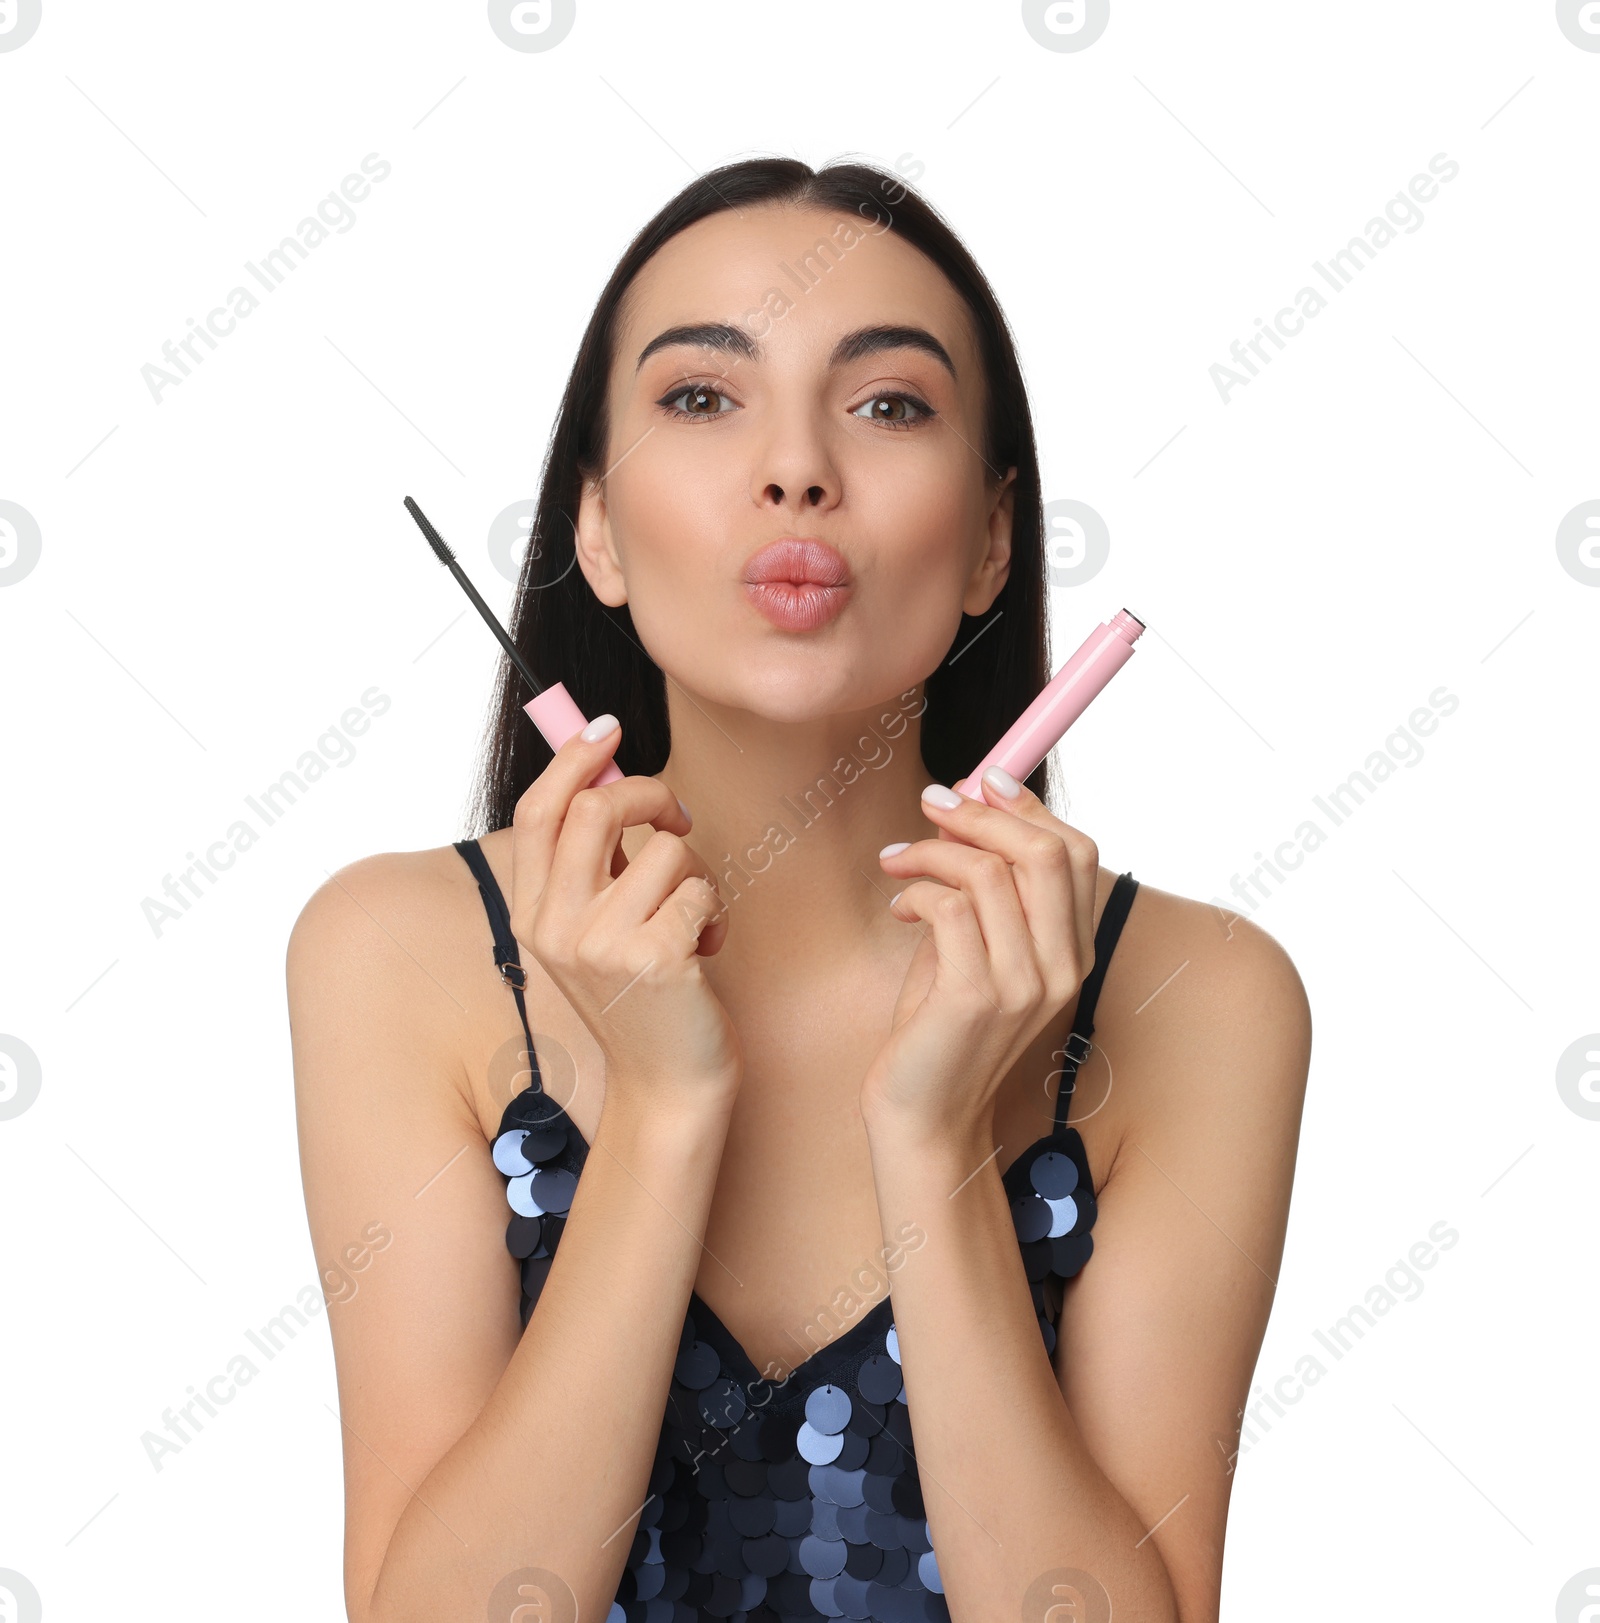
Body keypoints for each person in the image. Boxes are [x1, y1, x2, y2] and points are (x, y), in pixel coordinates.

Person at [287, 157, 1312, 1623]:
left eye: (889, 405)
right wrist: (659, 1114)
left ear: (995, 539)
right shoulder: (400, 955)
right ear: (596, 530)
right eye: (703, 398)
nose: (798, 469)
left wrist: (933, 1135)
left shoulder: (1195, 999)